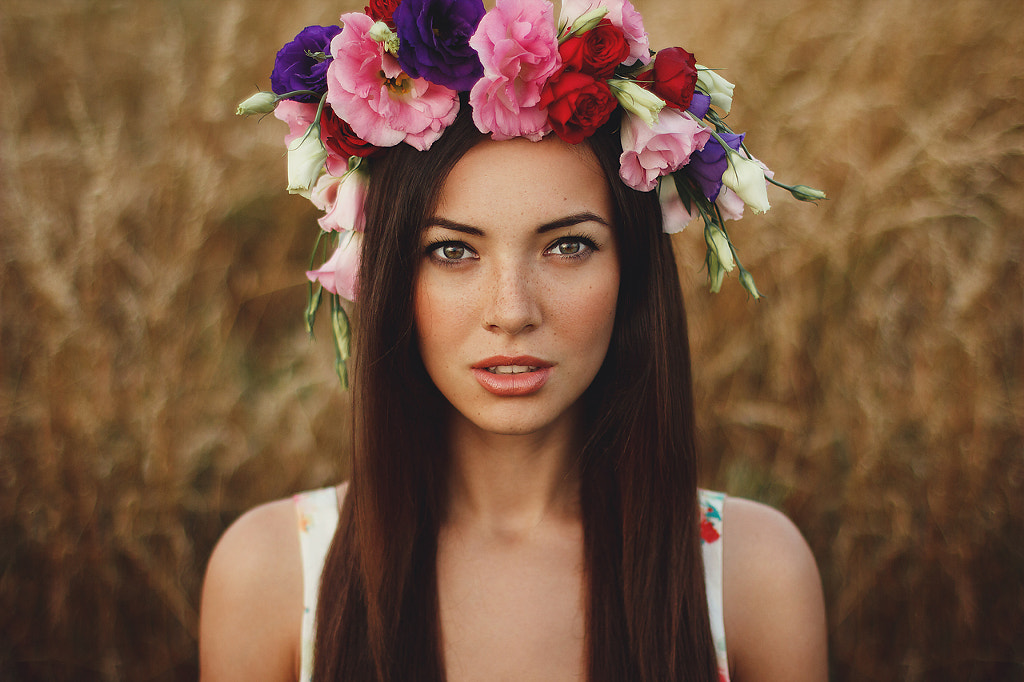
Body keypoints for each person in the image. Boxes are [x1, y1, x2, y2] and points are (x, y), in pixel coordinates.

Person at [203, 1, 828, 680]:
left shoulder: (752, 577)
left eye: (567, 245)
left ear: (633, 270)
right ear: (387, 280)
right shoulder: (273, 577)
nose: (511, 312)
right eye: (451, 252)